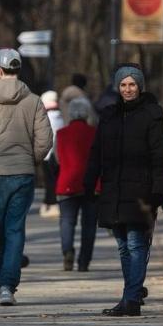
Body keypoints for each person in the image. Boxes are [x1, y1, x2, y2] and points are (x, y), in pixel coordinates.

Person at [84, 64, 163, 317]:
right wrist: (90, 182)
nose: (128, 89)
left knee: (135, 243)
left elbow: (159, 157)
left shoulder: (152, 115)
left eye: (132, 84)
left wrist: (157, 192)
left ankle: (131, 298)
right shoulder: (108, 115)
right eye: (123, 85)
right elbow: (96, 152)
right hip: (113, 189)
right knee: (122, 245)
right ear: (117, 87)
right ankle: (130, 295)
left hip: (141, 190)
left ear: (139, 86)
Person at [0, 48, 53, 305]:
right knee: (14, 230)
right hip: (23, 173)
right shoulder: (33, 100)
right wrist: (30, 158)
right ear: (18, 70)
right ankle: (7, 286)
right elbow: (45, 139)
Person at [55, 97, 98, 272]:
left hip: (67, 182)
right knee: (88, 225)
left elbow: (57, 159)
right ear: (87, 113)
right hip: (91, 183)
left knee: (67, 221)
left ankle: (67, 253)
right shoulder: (95, 133)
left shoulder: (62, 133)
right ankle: (84, 261)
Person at [39, 90, 64, 218]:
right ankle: (50, 203)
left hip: (48, 154)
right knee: (55, 180)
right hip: (60, 154)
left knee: (49, 180)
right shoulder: (61, 116)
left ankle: (51, 203)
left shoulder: (45, 117)